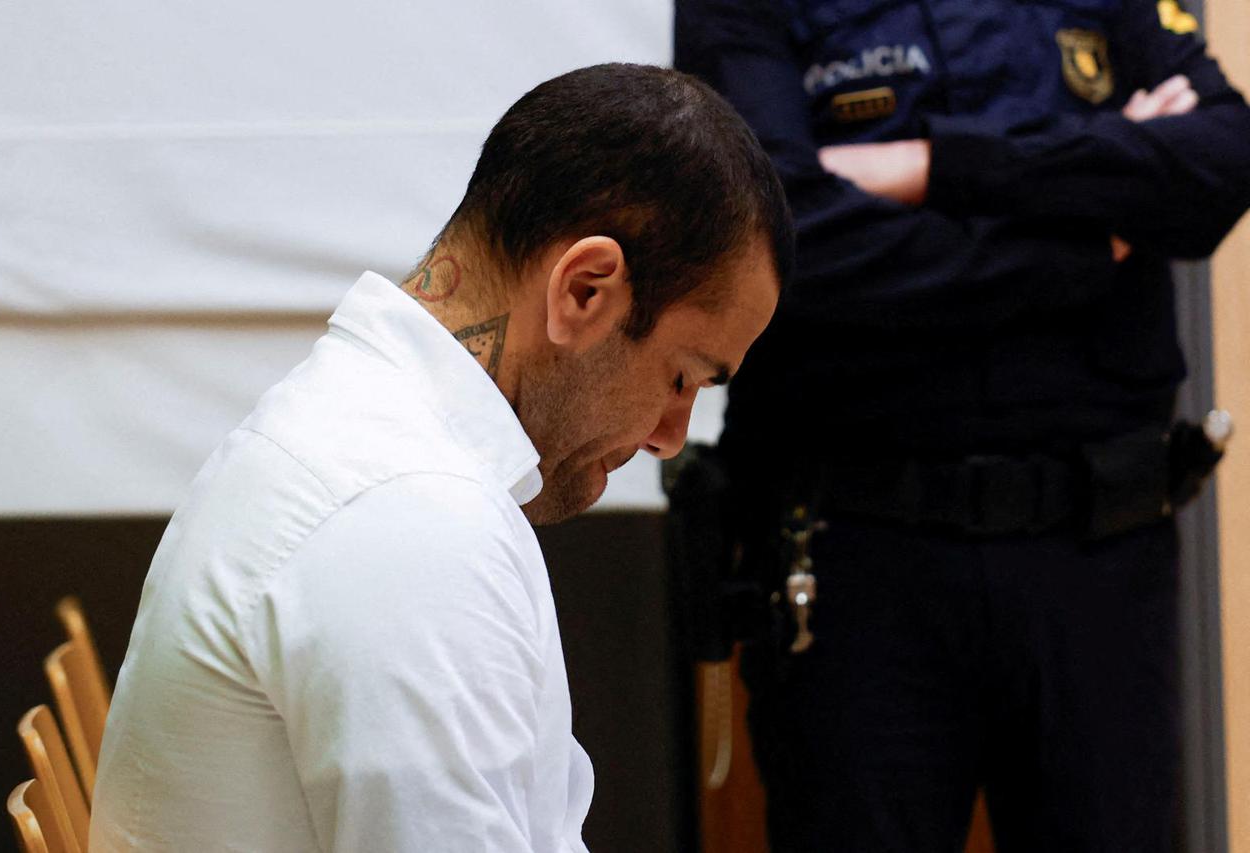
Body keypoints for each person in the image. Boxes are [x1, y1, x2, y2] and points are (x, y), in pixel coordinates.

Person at [89, 62, 792, 852]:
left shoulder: (368, 441)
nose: (671, 433)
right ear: (584, 290)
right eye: (683, 376)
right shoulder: (409, 517)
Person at [675, 1, 1250, 851]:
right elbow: (779, 236)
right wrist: (1086, 237)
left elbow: (1218, 160)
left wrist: (930, 165)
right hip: (856, 558)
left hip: (1099, 553)